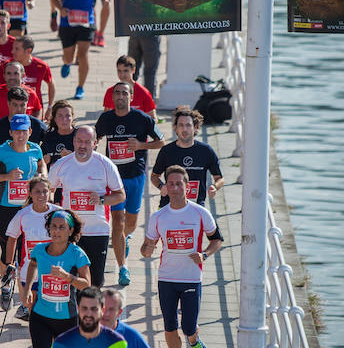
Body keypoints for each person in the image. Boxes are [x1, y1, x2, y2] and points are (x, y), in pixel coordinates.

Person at [141, 165, 223, 348]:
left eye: (179, 184)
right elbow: (145, 251)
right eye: (171, 184)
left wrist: (204, 254)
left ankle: (194, 340)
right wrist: (147, 247)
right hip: (166, 278)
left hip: (191, 278)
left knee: (187, 327)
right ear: (166, 187)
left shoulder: (200, 213)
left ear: (187, 186)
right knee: (170, 325)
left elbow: (217, 240)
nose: (175, 188)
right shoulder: (158, 217)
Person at [26, 210, 90, 348]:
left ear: (71, 231)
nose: (57, 231)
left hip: (68, 319)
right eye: (53, 226)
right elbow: (32, 266)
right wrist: (27, 290)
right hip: (41, 317)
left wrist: (68, 278)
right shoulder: (40, 250)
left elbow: (88, 285)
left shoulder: (77, 254)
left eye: (62, 227)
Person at [96, 82, 164, 285]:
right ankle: (122, 267)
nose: (120, 96)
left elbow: (161, 141)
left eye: (124, 93)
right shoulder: (106, 118)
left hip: (135, 176)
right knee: (117, 220)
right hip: (114, 178)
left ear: (131, 97)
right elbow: (94, 138)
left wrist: (141, 145)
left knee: (131, 223)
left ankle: (124, 239)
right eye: (116, 93)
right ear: (112, 97)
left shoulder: (142, 119)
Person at [49, 125, 125, 288]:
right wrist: (55, 212)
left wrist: (102, 200)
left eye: (87, 142)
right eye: (79, 141)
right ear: (74, 141)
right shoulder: (62, 164)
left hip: (98, 231)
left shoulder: (105, 164)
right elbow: (49, 189)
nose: (82, 145)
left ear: (95, 143)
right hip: (70, 232)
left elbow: (120, 195)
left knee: (95, 284)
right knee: (70, 281)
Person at [0, 113, 46, 291]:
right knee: (7, 252)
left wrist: (43, 176)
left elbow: (41, 164)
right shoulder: (1, 151)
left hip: (28, 209)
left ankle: (27, 291)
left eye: (24, 131)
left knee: (25, 252)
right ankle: (6, 287)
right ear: (11, 132)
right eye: (17, 131)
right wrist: (7, 176)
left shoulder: (35, 149)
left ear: (30, 132)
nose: (20, 135)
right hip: (5, 209)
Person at [53, 0, 110, 100]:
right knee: (68, 56)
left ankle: (80, 87)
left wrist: (105, 0)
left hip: (87, 23)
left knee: (83, 55)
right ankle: (66, 63)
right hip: (67, 23)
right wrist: (60, 8)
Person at [5, 175, 62, 319]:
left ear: (50, 192)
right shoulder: (23, 214)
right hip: (29, 271)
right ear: (30, 193)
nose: (42, 195)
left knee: (52, 311)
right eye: (37, 191)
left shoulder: (59, 213)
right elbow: (12, 239)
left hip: (54, 270)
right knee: (34, 311)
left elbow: (71, 237)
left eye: (45, 191)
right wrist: (9, 264)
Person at [151, 106, 224, 208]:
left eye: (188, 125)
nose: (184, 129)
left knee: (211, 225)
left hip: (196, 206)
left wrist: (214, 187)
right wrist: (161, 186)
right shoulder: (166, 151)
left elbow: (219, 178)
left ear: (195, 128)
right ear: (175, 128)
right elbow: (154, 176)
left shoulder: (206, 151)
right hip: (168, 205)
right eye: (181, 125)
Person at [0, 89, 47, 162]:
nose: (19, 109)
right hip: (6, 171)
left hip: (30, 169)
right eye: (15, 105)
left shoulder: (37, 125)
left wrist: (43, 160)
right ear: (8, 104)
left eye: (22, 105)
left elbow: (50, 141)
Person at [0, 61, 41, 125]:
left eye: (16, 73)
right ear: (4, 76)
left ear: (23, 75)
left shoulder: (31, 94)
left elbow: (38, 110)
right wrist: (0, 126)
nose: (12, 77)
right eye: (9, 73)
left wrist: (33, 125)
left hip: (25, 133)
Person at [102, 55, 156, 119]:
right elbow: (105, 118)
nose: (122, 75)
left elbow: (153, 118)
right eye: (119, 71)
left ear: (133, 70)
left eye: (126, 71)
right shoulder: (110, 92)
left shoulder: (144, 93)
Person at [42, 100, 77, 183]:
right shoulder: (48, 136)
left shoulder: (80, 135)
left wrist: (73, 156)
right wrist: (43, 161)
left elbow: (90, 158)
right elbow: (40, 160)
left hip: (75, 182)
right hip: (54, 183)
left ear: (72, 117)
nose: (64, 119)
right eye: (60, 116)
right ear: (54, 118)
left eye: (67, 115)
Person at [128, 34, 162, 100]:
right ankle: (149, 102)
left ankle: (127, 98)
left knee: (131, 70)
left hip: (135, 31)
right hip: (151, 33)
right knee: (150, 72)